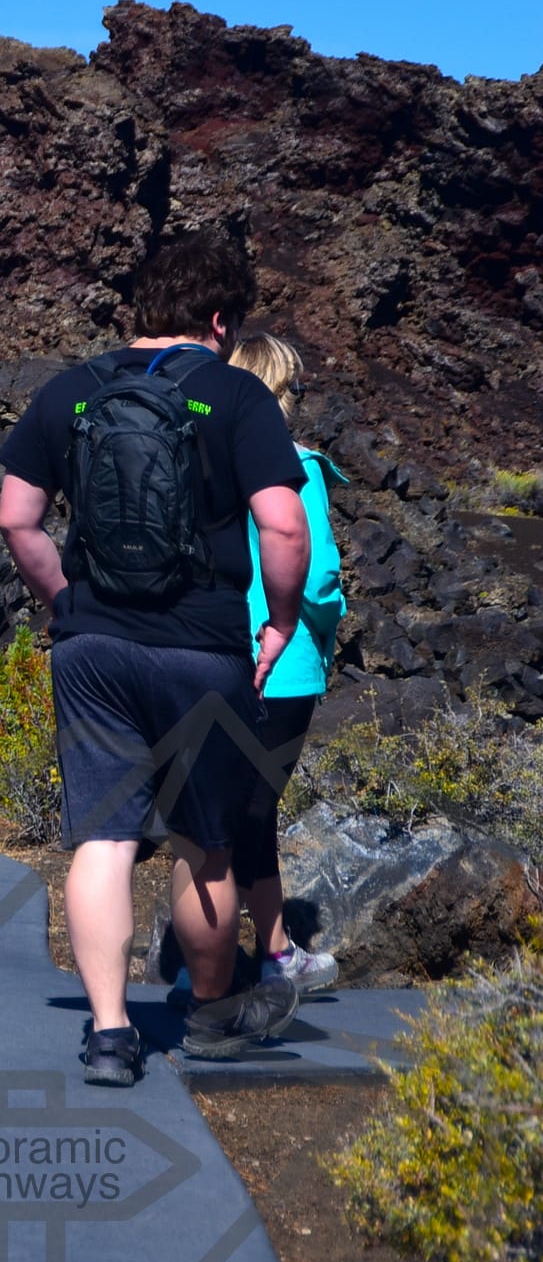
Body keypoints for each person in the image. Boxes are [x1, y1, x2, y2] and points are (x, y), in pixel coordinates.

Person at [0, 235, 311, 1086]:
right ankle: (208, 1014)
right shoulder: (236, 396)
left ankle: (106, 1032)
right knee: (201, 844)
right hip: (200, 645)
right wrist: (276, 626)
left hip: (91, 645)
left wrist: (66, 602)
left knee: (102, 837)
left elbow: (16, 519)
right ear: (218, 318)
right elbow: (282, 526)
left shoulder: (70, 390)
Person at [229, 332, 346, 990]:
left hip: (214, 649)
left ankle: (217, 955)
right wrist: (330, 628)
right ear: (276, 390)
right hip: (286, 660)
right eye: (295, 387)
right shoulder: (295, 465)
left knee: (224, 810)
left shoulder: (208, 459)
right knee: (256, 806)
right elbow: (318, 576)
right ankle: (274, 956)